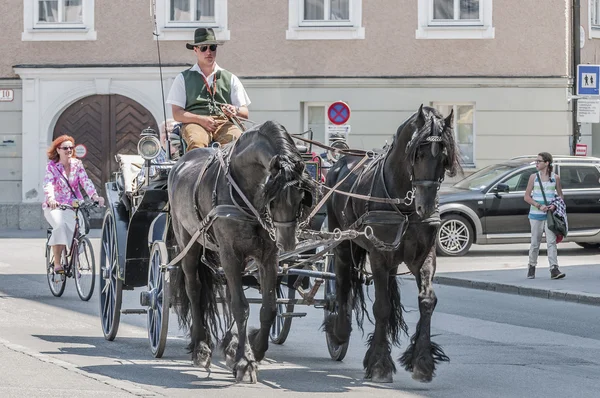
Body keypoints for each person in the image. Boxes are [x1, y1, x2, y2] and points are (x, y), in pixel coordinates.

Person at [166, 27, 250, 151]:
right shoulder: (183, 78)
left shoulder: (230, 78)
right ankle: (197, 171)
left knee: (240, 143)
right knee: (196, 143)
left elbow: (245, 112)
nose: (208, 52)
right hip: (195, 123)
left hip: (223, 123)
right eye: (203, 48)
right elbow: (177, 113)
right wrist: (200, 119)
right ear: (195, 50)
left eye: (212, 47)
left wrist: (234, 109)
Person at [43, 135, 105, 274]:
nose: (69, 150)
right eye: (65, 148)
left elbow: (85, 181)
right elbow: (48, 184)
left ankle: (74, 257)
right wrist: (51, 199)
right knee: (60, 226)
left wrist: (94, 196)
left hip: (74, 204)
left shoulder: (77, 164)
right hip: (56, 205)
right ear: (58, 150)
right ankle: (58, 263)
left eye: (71, 147)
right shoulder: (52, 167)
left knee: (79, 230)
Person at [524, 152, 566, 280]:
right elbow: (526, 197)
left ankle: (554, 269)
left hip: (549, 215)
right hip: (536, 214)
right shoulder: (533, 177)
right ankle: (531, 267)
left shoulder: (555, 178)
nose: (536, 163)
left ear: (547, 163)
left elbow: (560, 196)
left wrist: (554, 206)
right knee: (535, 243)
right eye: (536, 161)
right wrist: (538, 205)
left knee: (551, 242)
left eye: (539, 161)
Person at [136, 119, 182, 187]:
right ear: (160, 136)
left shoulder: (188, 157)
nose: (168, 135)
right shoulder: (153, 158)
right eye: (164, 132)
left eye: (172, 131)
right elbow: (141, 184)